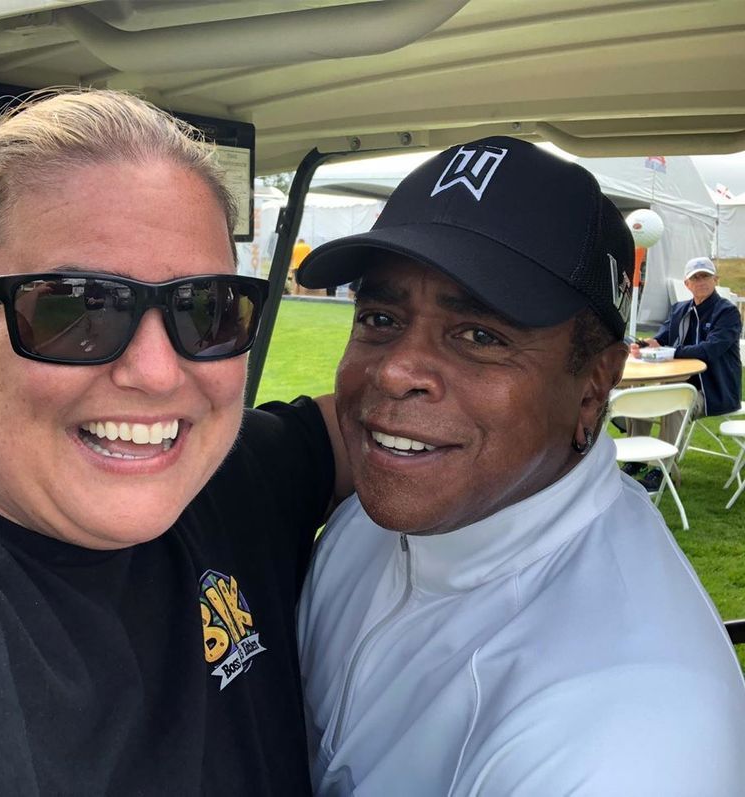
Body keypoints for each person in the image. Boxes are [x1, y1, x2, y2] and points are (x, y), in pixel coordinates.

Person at [295, 137, 745, 795]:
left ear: (593, 386)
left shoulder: (632, 738)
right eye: (380, 316)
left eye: (480, 335)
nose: (393, 370)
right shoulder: (375, 519)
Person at [0, 89, 348, 795]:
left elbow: (379, 425)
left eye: (208, 310)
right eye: (76, 307)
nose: (159, 373)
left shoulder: (228, 479)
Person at [625, 256, 742, 491]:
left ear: (715, 280)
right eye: (695, 278)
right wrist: (647, 344)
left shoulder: (727, 313)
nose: (701, 282)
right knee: (635, 396)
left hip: (712, 389)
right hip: (676, 380)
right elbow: (663, 336)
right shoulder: (680, 309)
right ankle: (636, 460)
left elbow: (710, 350)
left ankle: (662, 468)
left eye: (705, 277)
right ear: (687, 284)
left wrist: (670, 351)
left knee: (676, 402)